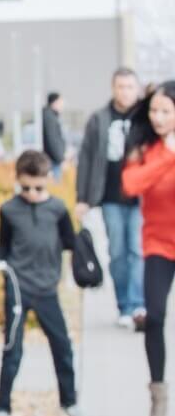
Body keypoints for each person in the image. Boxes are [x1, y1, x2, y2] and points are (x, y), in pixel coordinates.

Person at [0, 150, 89, 416]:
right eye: (25, 187)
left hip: (47, 289)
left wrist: (81, 230)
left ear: (47, 180)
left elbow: (70, 243)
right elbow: (4, 246)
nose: (31, 193)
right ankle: (2, 407)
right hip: (18, 288)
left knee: (62, 346)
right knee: (12, 349)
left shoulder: (58, 209)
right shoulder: (8, 210)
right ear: (18, 181)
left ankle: (70, 402)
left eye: (38, 188)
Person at [121, 79, 175, 416]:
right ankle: (158, 396)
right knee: (153, 318)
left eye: (166, 111)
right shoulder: (144, 146)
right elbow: (131, 184)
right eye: (154, 110)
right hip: (158, 244)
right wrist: (169, 155)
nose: (157, 117)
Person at [76, 68, 146, 330]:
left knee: (137, 250)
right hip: (110, 196)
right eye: (120, 86)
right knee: (117, 252)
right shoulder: (100, 118)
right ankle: (124, 306)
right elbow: (86, 158)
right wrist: (82, 197)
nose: (125, 92)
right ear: (113, 88)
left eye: (130, 87)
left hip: (140, 198)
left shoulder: (146, 117)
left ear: (137, 89)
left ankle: (138, 304)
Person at [42, 91, 67, 179]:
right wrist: (60, 159)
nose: (62, 105)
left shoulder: (50, 116)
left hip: (52, 159)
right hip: (53, 161)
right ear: (55, 102)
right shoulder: (50, 118)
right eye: (61, 102)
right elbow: (53, 140)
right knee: (55, 184)